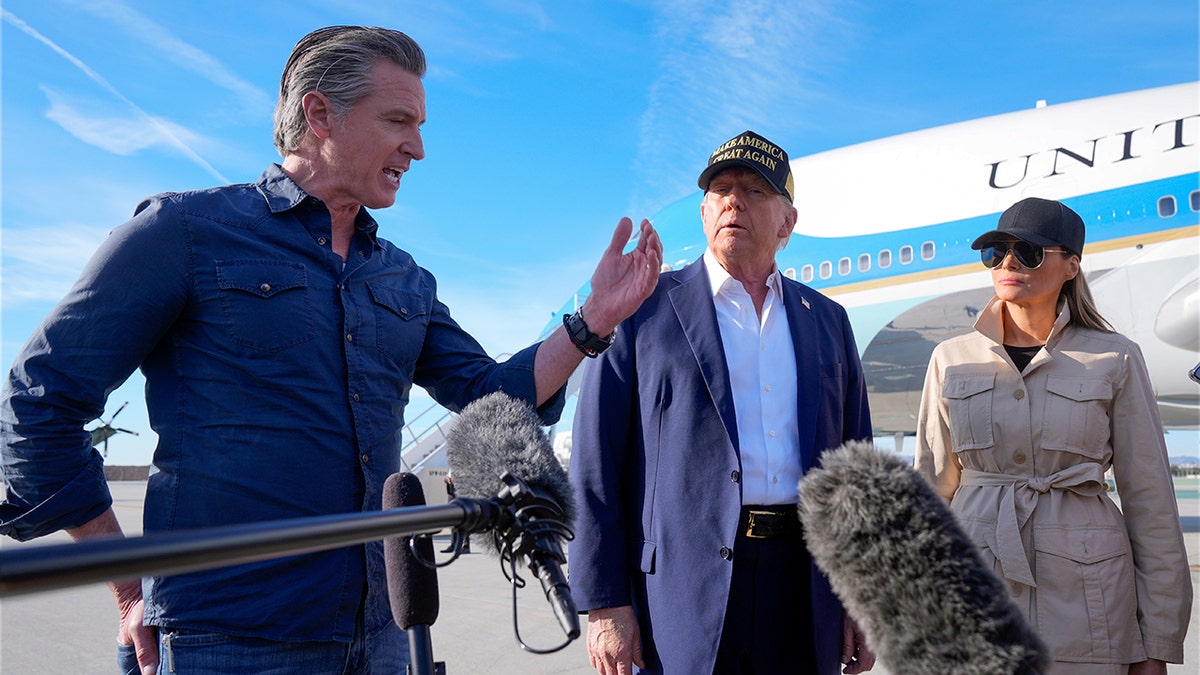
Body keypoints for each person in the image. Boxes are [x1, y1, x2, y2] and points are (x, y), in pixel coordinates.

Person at [0, 25, 661, 675]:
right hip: (225, 638)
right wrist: (126, 585)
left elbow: (493, 397)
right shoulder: (183, 232)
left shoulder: (404, 277)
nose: (419, 148)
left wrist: (589, 321)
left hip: (378, 634)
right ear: (320, 114)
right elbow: (34, 407)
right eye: (399, 119)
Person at [568, 130, 875, 675]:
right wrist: (605, 601)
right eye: (721, 189)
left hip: (806, 585)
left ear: (787, 222)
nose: (734, 200)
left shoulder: (827, 321)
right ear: (705, 212)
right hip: (684, 589)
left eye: (755, 190)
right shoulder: (643, 309)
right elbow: (596, 465)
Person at [914, 197, 1192, 674]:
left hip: (1090, 606)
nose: (1008, 263)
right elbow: (929, 494)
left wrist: (1158, 641)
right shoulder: (950, 358)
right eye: (996, 252)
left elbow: (1151, 502)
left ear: (1071, 265)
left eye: (1029, 252)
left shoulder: (1115, 358)